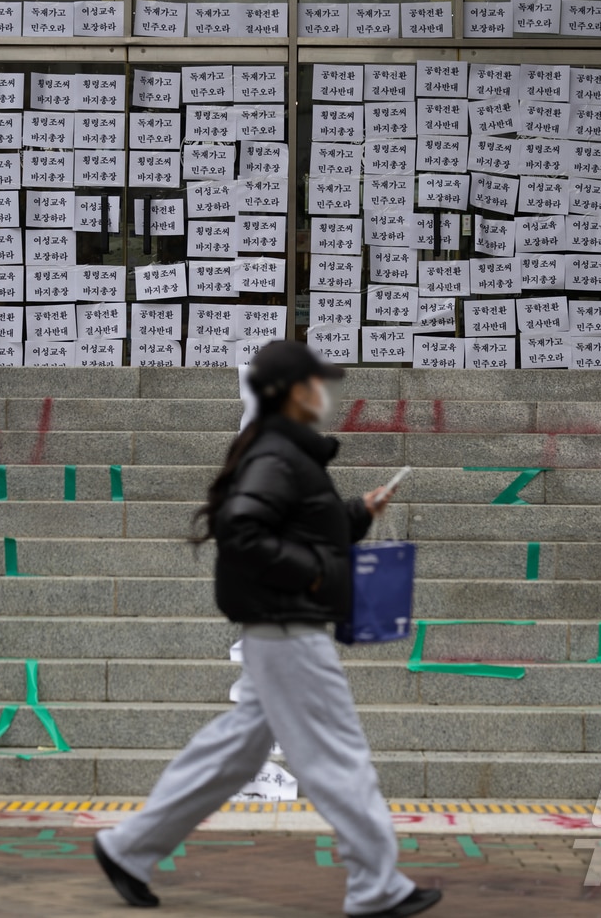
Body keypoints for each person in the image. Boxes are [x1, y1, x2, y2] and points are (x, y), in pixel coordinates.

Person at [93, 340, 442, 918]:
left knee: (231, 754)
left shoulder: (282, 452)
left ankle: (128, 848)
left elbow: (292, 528)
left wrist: (357, 513)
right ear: (291, 392)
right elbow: (243, 529)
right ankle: (377, 886)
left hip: (278, 630)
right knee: (338, 753)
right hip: (288, 631)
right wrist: (310, 578)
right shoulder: (279, 455)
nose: (322, 394)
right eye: (314, 384)